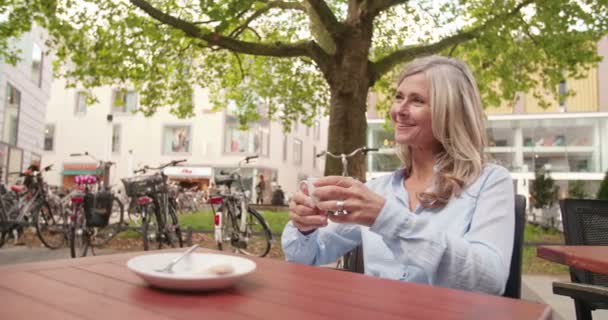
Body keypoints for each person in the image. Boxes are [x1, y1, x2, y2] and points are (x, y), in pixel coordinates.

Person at [282, 55, 515, 295]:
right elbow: (305, 257)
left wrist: (386, 218)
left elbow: (489, 281)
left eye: (417, 100)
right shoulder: (377, 191)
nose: (399, 111)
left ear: (450, 112)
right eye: (399, 97)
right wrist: (304, 226)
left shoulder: (491, 181)